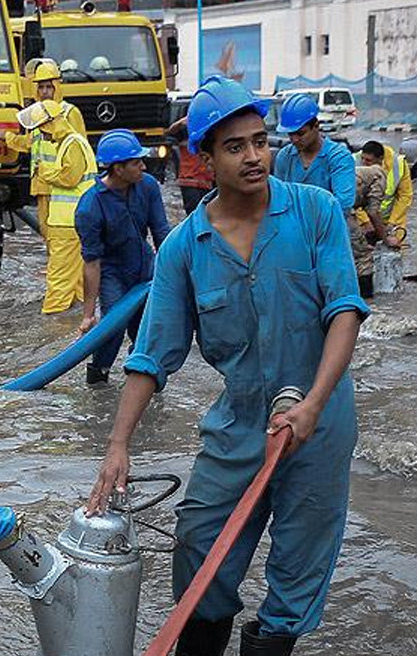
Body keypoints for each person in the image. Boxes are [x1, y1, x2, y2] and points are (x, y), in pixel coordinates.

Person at [87, 76, 368, 656]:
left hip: (319, 421)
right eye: (236, 146)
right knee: (198, 549)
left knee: (296, 571)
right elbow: (152, 356)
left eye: (261, 142)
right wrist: (117, 445)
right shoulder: (184, 248)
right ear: (205, 158)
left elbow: (346, 310)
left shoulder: (314, 213)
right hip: (239, 424)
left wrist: (313, 405)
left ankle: (271, 641)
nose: (254, 157)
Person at [75, 129, 170, 385]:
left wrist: (172, 273)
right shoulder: (90, 206)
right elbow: (92, 262)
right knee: (113, 328)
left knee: (148, 329)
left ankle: (143, 377)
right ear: (118, 169)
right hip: (113, 273)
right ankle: (98, 376)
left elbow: (161, 232)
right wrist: (88, 314)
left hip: (144, 267)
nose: (143, 165)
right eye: (136, 162)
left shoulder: (147, 185)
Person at [19, 99, 95, 314]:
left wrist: (45, 172)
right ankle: (77, 322)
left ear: (52, 124)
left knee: (59, 281)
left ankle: (53, 329)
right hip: (75, 223)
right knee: (78, 282)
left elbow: (70, 178)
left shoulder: (72, 144)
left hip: (67, 226)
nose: (43, 135)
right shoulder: (71, 143)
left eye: (42, 130)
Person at [2, 59, 87, 242]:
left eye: (49, 87)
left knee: (63, 234)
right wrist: (7, 138)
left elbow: (80, 147)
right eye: (41, 87)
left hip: (63, 186)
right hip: (43, 184)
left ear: (57, 86)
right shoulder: (37, 113)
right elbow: (32, 143)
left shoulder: (69, 112)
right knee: (47, 233)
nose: (45, 92)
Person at [272, 92, 355, 214]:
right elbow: (278, 198)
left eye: (300, 133)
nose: (294, 140)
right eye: (290, 134)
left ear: (316, 126)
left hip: (330, 228)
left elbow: (343, 205)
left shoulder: (339, 158)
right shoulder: (285, 156)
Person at [356, 140, 411, 245]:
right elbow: (350, 199)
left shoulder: (398, 164)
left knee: (393, 251)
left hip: (390, 220)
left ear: (380, 159)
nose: (363, 163)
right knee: (362, 253)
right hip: (364, 221)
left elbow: (405, 196)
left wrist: (392, 223)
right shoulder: (353, 162)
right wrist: (365, 221)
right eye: (363, 159)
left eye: (368, 161)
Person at [351, 163, 387, 298]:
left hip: (323, 209)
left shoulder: (357, 171)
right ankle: (367, 299)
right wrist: (386, 238)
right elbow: (373, 212)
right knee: (363, 255)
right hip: (342, 212)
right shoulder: (379, 177)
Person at [167, 115, 214, 214]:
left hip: (207, 181)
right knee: (196, 215)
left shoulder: (209, 130)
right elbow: (169, 132)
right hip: (190, 180)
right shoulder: (184, 129)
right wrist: (182, 122)